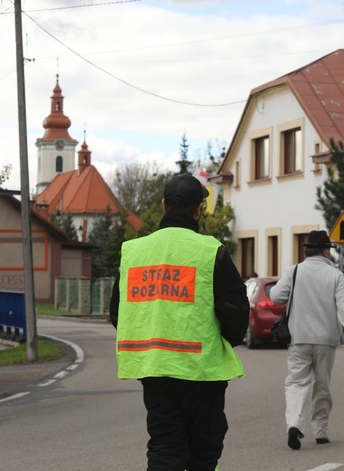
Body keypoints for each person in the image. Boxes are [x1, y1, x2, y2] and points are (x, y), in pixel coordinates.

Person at [110, 174, 249, 471]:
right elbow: (236, 312)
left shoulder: (133, 252)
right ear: (199, 209)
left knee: (164, 446)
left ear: (163, 205)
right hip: (201, 371)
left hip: (154, 370)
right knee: (204, 449)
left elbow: (116, 313)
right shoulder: (211, 252)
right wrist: (223, 338)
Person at [269, 230, 344, 450]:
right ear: (326, 252)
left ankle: (294, 424)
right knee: (322, 384)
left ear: (307, 250)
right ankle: (320, 432)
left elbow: (275, 296)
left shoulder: (295, 271)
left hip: (299, 338)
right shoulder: (335, 275)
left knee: (296, 382)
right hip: (326, 339)